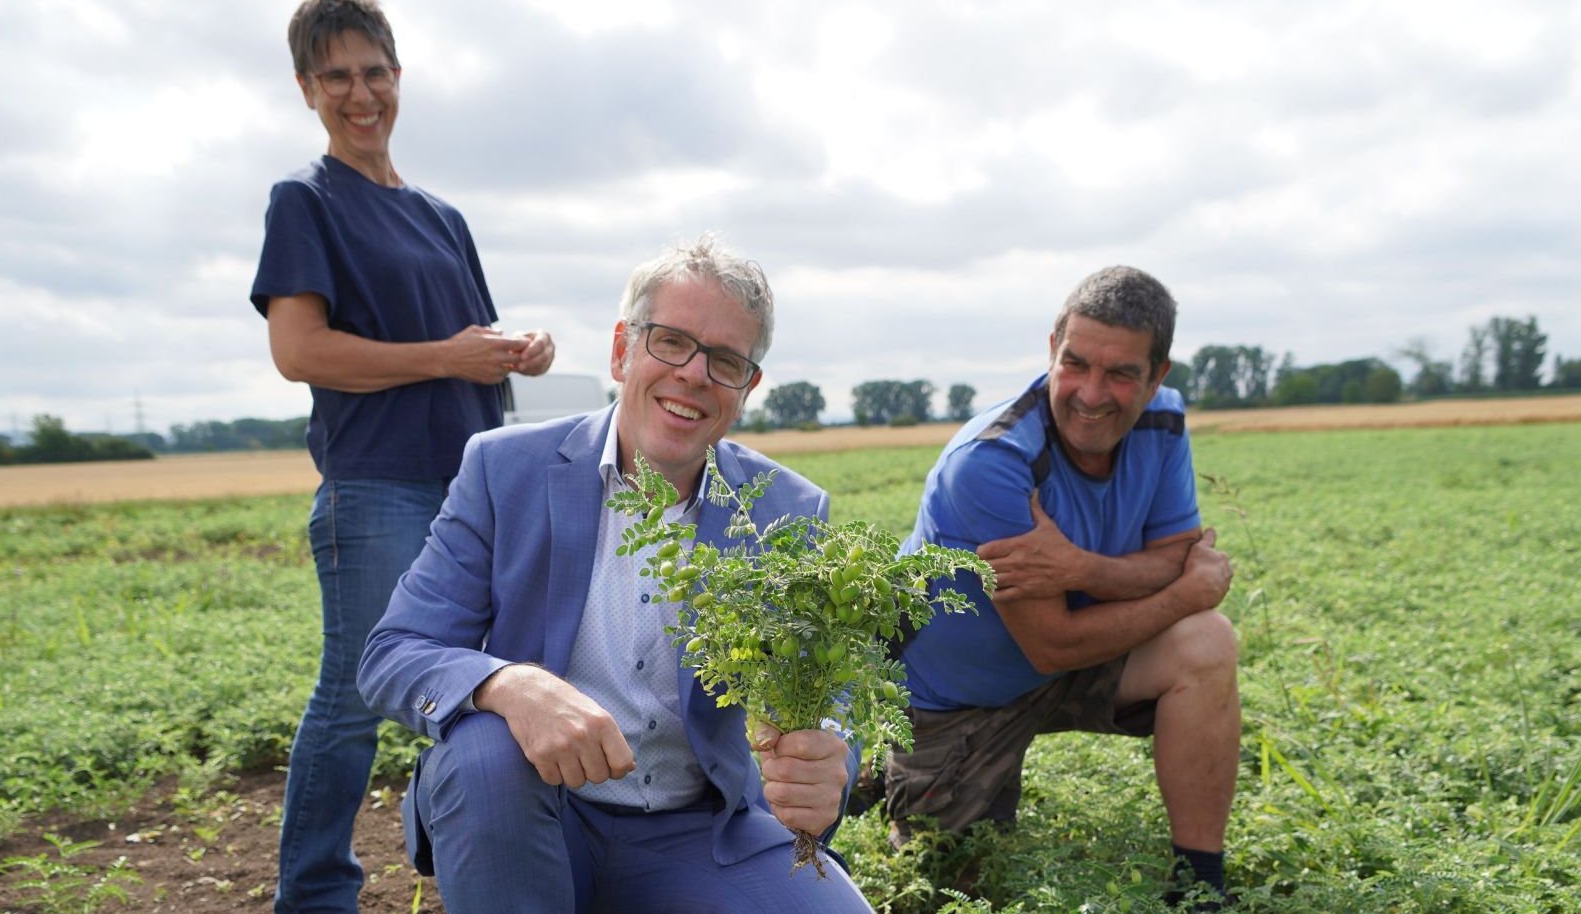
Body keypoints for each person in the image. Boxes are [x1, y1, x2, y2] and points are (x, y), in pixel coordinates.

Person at [358, 236, 874, 913]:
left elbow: (828, 692)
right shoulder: (501, 468)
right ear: (621, 350)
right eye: (670, 341)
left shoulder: (787, 511)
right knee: (485, 745)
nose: (693, 374)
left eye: (725, 361)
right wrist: (506, 683)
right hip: (535, 813)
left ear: (747, 389)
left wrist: (829, 755)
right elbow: (393, 653)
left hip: (698, 832)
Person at [249, 2, 554, 911]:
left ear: (398, 76)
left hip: (471, 488)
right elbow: (300, 352)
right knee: (354, 701)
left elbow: (469, 337)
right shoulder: (304, 202)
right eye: (336, 77)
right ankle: (313, 896)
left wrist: (515, 348)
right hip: (378, 487)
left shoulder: (440, 215)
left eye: (374, 72)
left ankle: (471, 866)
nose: (360, 94)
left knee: (470, 688)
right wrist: (445, 357)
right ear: (307, 90)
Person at [885, 266, 1238, 908]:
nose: (1091, 393)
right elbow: (1052, 643)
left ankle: (1201, 885)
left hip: (1069, 663)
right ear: (1052, 346)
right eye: (1075, 363)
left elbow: (1176, 555)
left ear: (1157, 376)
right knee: (946, 887)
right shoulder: (991, 462)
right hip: (960, 699)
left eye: (1122, 373)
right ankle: (881, 765)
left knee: (1206, 640)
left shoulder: (1162, 423)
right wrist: (1182, 591)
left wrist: (1080, 569)